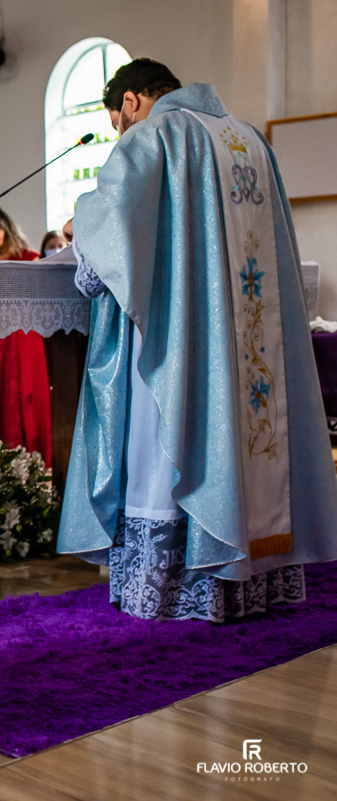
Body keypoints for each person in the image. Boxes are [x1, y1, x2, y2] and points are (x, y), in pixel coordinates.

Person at [58, 59, 337, 621]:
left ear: (132, 102)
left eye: (117, 121)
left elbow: (110, 232)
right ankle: (247, 579)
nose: (121, 133)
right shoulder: (249, 139)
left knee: (166, 442)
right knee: (243, 439)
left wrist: (77, 225)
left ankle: (173, 584)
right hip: (242, 331)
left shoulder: (158, 134)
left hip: (179, 333)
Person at [0, 207, 51, 463]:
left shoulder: (28, 259)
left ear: (7, 231)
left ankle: (26, 458)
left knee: (21, 393)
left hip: (20, 335)